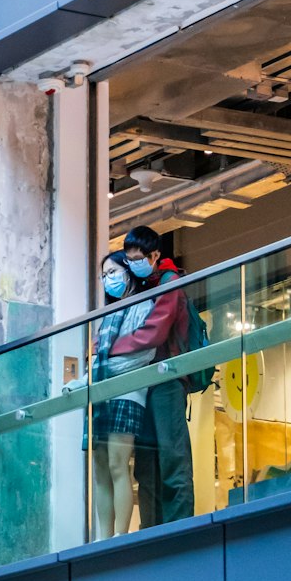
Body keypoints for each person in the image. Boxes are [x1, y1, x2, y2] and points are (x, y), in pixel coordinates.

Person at [111, 225, 194, 527]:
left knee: (173, 457)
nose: (133, 264)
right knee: (145, 464)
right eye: (130, 258)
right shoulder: (141, 286)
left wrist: (111, 350)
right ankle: (151, 531)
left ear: (156, 254)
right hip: (141, 380)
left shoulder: (169, 283)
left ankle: (180, 529)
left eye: (139, 258)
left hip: (167, 378)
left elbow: (154, 332)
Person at [90, 253, 155, 539]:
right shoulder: (107, 316)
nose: (108, 279)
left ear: (128, 272)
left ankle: (120, 535)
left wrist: (98, 374)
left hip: (127, 392)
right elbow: (97, 357)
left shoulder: (142, 305)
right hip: (103, 394)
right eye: (104, 275)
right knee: (100, 468)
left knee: (118, 463)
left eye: (113, 271)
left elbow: (142, 354)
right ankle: (102, 537)